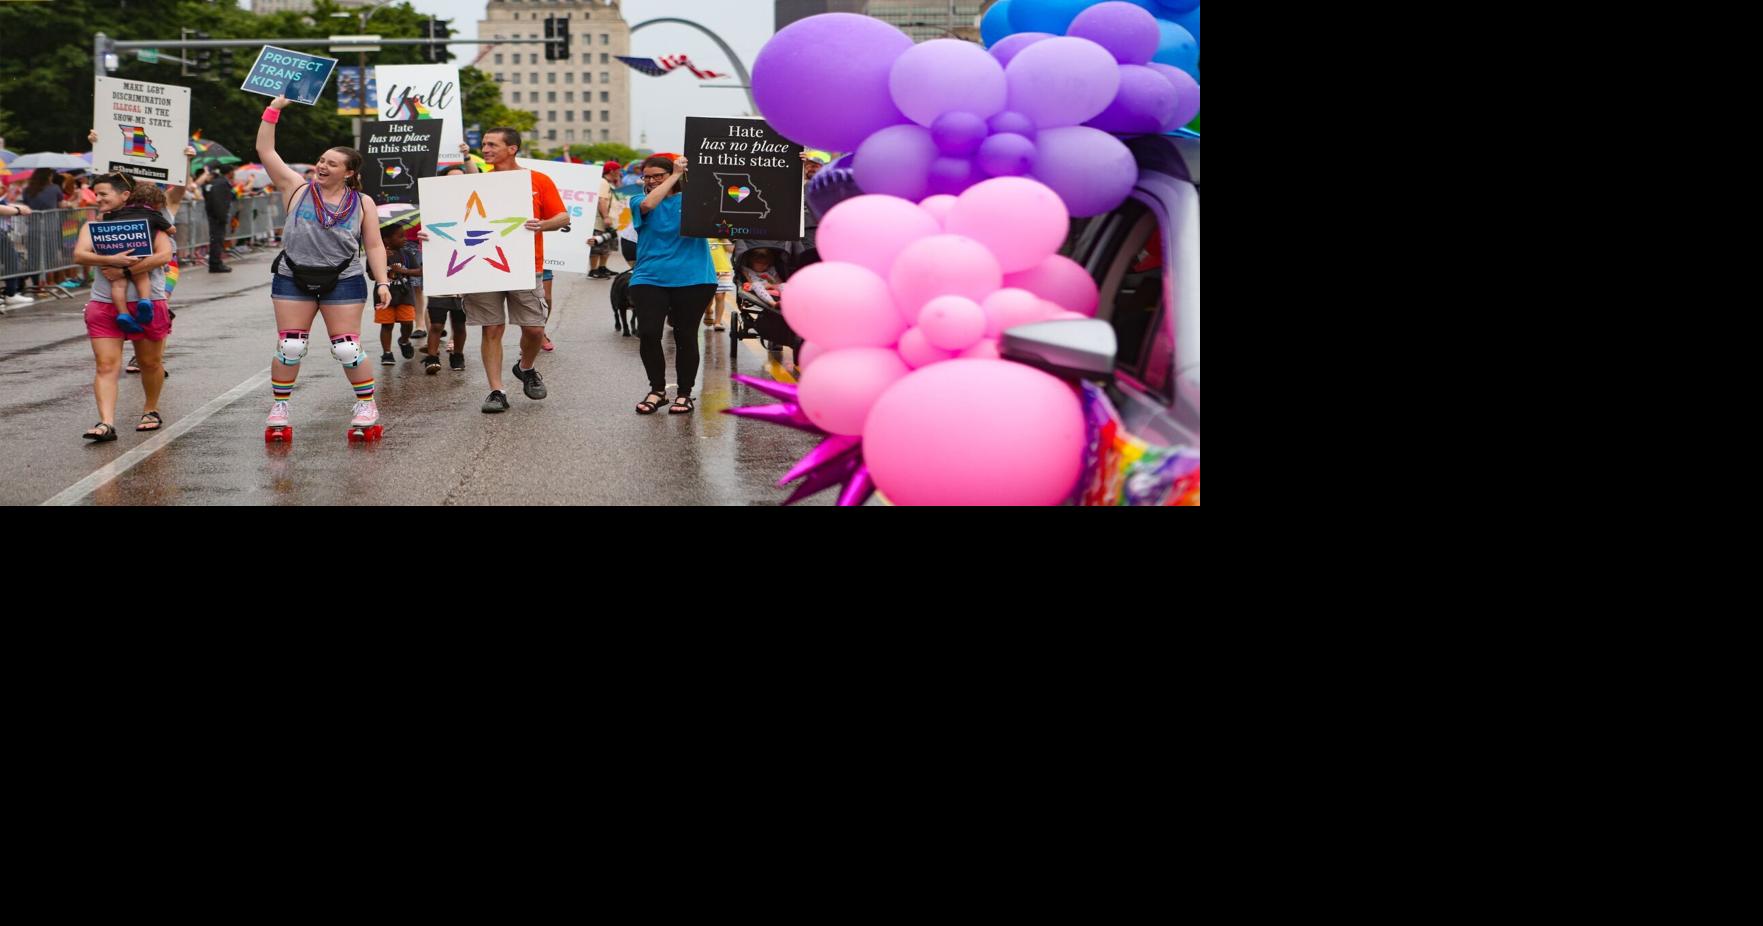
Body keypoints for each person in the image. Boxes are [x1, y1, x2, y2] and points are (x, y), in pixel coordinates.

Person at [256, 94, 393, 439]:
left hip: (342, 279)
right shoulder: (295, 189)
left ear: (349, 172)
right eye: (321, 160)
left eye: (332, 163)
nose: (322, 166)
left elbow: (374, 245)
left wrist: (382, 282)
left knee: (347, 346)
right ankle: (280, 407)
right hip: (293, 275)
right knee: (290, 345)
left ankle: (366, 405)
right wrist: (273, 111)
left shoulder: (362, 202)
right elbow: (266, 152)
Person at [423, 127, 567, 414]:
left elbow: (561, 216)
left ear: (512, 148)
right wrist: (431, 235)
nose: (485, 149)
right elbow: (446, 219)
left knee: (535, 328)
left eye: (492, 144)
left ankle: (525, 367)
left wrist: (543, 224)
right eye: (484, 144)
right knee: (492, 328)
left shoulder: (537, 180)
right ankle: (496, 391)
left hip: (526, 265)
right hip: (481, 268)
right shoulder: (475, 183)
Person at [71, 173, 175, 440]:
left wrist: (125, 271)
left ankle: (151, 409)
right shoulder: (95, 224)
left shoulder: (151, 221)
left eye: (104, 193)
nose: (98, 199)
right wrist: (111, 259)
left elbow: (165, 255)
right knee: (106, 365)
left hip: (148, 301)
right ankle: (106, 422)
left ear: (124, 195)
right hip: (104, 303)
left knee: (149, 362)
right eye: (96, 194)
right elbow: (80, 255)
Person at [628, 155, 716, 415]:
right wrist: (674, 176)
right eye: (647, 176)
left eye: (658, 176)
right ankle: (657, 390)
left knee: (686, 335)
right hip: (649, 277)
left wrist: (795, 171)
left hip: (694, 277)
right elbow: (648, 204)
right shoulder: (637, 200)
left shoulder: (694, 201)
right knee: (648, 332)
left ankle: (685, 394)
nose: (652, 180)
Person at [379, 224, 418, 365]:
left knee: (407, 322)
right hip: (384, 296)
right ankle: (387, 353)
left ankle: (404, 340)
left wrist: (403, 272)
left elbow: (419, 271)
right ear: (386, 240)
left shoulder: (406, 254)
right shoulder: (378, 254)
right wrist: (382, 261)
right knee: (386, 325)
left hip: (405, 295)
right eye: (400, 236)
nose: (405, 239)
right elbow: (372, 275)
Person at [198, 163, 237, 272]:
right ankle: (215, 264)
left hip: (215, 215)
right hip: (217, 217)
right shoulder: (221, 183)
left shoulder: (218, 182)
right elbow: (218, 201)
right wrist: (221, 217)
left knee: (217, 240)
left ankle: (216, 262)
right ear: (230, 172)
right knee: (217, 240)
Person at [590, 160, 620, 278]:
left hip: (608, 221)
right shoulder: (603, 182)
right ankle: (593, 270)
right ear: (611, 171)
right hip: (601, 221)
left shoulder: (609, 183)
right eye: (618, 170)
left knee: (607, 246)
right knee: (597, 246)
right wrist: (606, 217)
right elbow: (601, 200)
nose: (620, 173)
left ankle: (602, 268)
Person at [706, 237, 734, 331]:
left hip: (722, 269)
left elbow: (731, 250)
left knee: (720, 296)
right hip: (706, 270)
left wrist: (724, 239)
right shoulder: (702, 236)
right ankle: (708, 310)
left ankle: (718, 322)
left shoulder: (720, 237)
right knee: (707, 296)